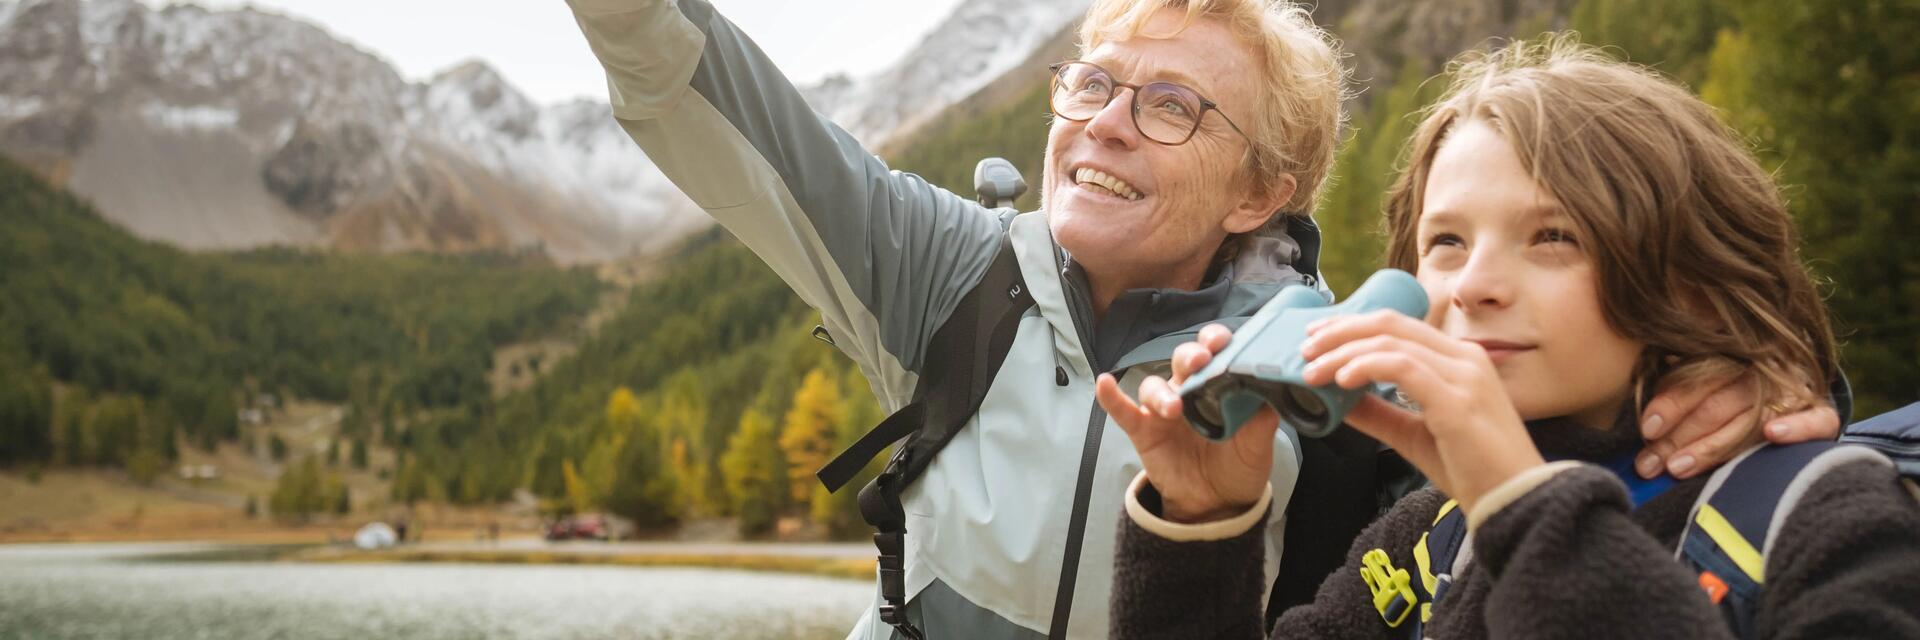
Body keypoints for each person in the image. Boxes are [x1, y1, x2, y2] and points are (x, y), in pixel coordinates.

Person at [564, 1, 1839, 636]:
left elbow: (1584, 425)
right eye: (1095, 82)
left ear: (1265, 188)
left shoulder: (1325, 384)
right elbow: (688, 82)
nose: (1107, 120)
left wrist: (1745, 369)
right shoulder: (944, 269)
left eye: (1171, 105)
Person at [1103, 37, 1920, 639]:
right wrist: (1202, 528)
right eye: (1447, 242)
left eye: (1555, 237)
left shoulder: (1823, 514)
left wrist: (1523, 510)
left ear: (1691, 280)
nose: (1472, 284)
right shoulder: (1425, 538)